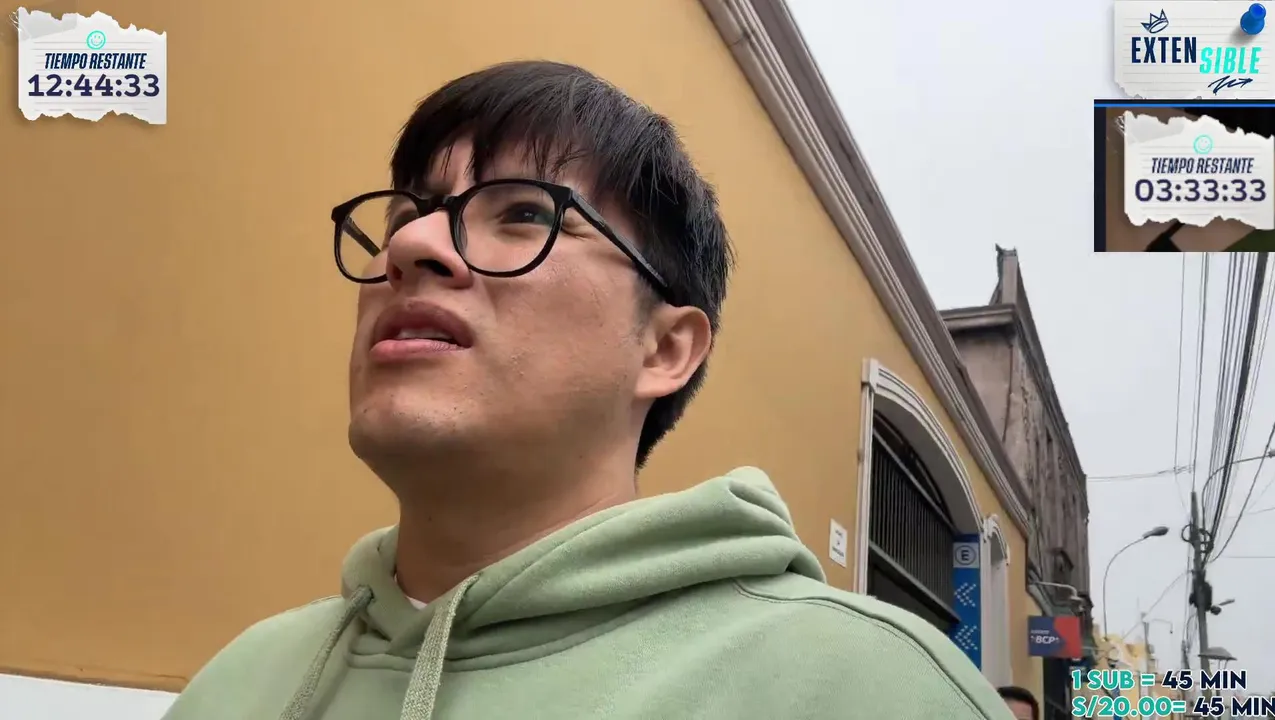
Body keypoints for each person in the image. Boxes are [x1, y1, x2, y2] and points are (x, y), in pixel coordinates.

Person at [161, 60, 1012, 720]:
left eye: (524, 214)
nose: (413, 247)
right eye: (406, 216)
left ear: (665, 348)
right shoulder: (240, 682)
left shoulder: (866, 689)